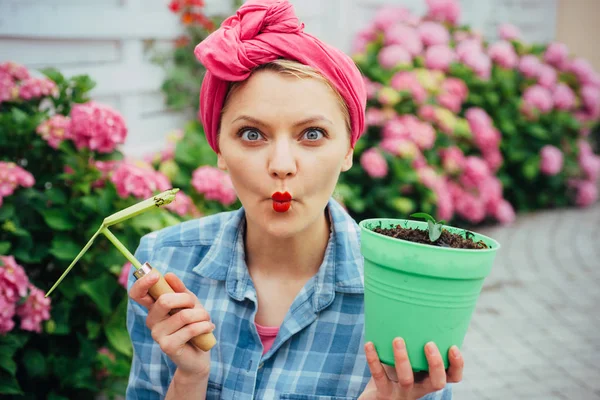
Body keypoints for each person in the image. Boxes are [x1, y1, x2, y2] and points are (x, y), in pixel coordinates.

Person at [125, 0, 464, 399]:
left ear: (348, 151)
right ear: (218, 148)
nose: (282, 165)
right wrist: (189, 379)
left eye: (312, 134)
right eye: (252, 134)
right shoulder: (164, 264)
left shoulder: (404, 294)